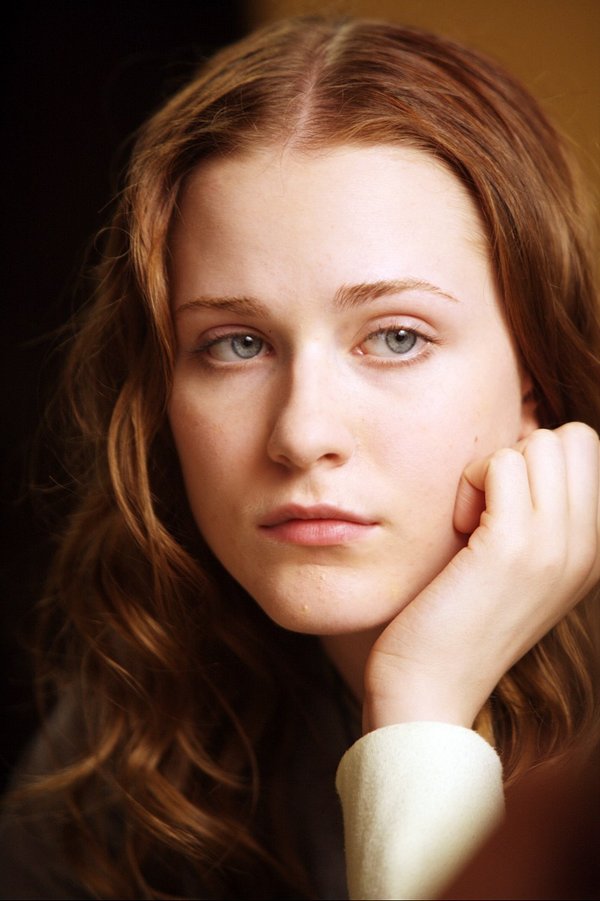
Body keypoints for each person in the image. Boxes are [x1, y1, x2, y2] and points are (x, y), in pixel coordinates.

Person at [1, 14, 599, 901]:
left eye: (396, 336)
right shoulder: (129, 743)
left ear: (534, 378)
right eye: (236, 344)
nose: (301, 431)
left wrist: (419, 706)